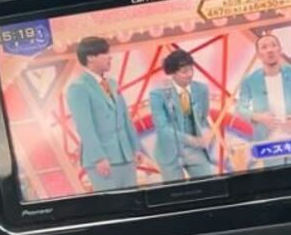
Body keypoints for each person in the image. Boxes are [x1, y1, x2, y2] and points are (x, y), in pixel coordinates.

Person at [66, 37, 144, 191]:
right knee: (113, 202)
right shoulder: (78, 87)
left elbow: (125, 119)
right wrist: (99, 157)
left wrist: (136, 147)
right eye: (105, 53)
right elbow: (85, 126)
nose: (110, 57)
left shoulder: (113, 84)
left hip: (126, 155)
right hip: (103, 160)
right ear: (90, 58)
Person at [236, 33, 291, 167]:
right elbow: (240, 108)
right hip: (268, 143)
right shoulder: (250, 80)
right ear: (258, 54)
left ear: (280, 50)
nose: (270, 50)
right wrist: (259, 118)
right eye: (264, 47)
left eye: (273, 45)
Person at [149, 49, 214, 182]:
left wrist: (206, 133)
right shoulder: (158, 93)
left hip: (195, 149)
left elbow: (203, 117)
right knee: (176, 190)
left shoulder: (201, 89)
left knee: (209, 184)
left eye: (191, 69)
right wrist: (191, 140)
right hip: (169, 152)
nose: (189, 74)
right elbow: (162, 128)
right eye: (184, 71)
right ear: (172, 73)